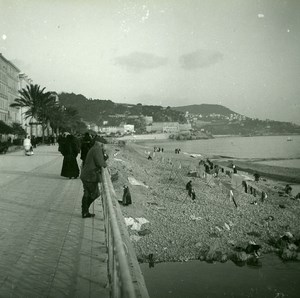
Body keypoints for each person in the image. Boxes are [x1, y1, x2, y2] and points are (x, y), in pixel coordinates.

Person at [80, 136, 108, 218]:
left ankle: (85, 212)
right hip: (90, 176)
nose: (106, 146)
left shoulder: (94, 148)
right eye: (105, 144)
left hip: (86, 175)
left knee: (87, 193)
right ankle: (85, 210)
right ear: (101, 144)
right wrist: (105, 162)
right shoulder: (97, 149)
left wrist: (104, 156)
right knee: (95, 194)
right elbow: (100, 163)